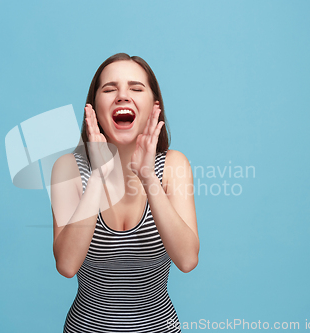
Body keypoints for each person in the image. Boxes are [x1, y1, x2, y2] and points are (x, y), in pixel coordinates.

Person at [51, 53, 199, 333]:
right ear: (93, 108)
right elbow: (67, 265)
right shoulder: (67, 169)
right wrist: (98, 175)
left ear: (154, 107)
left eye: (135, 88)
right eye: (109, 89)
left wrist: (147, 177)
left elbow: (188, 260)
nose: (122, 96)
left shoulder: (173, 165)